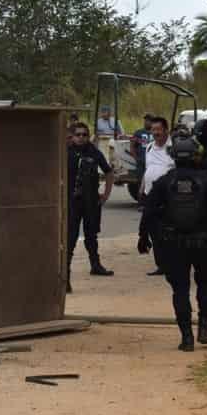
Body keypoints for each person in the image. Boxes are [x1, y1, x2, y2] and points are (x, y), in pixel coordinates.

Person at [138, 130, 207, 352]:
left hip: (173, 244)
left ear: (173, 156)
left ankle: (187, 337)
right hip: (204, 242)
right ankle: (204, 328)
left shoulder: (164, 182)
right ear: (196, 156)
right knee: (205, 283)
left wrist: (143, 237)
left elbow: (149, 211)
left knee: (180, 290)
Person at [66, 122, 115, 292]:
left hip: (91, 202)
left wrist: (106, 194)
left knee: (91, 235)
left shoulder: (94, 152)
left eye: (84, 135)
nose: (81, 138)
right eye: (78, 134)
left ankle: (96, 265)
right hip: (72, 202)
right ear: (72, 136)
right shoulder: (66, 152)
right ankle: (65, 277)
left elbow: (108, 172)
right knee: (70, 239)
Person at [140, 116, 175, 276]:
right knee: (153, 231)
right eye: (153, 130)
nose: (155, 133)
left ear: (166, 130)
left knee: (168, 231)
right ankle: (161, 265)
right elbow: (148, 170)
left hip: (168, 197)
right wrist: (141, 189)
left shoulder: (174, 148)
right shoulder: (149, 147)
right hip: (149, 195)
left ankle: (173, 264)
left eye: (158, 129)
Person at [131, 114, 155, 196]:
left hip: (153, 162)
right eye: (146, 120)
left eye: (149, 121)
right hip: (141, 162)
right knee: (140, 181)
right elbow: (132, 146)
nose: (147, 122)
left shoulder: (156, 132)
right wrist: (136, 158)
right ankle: (141, 201)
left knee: (152, 181)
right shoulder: (138, 132)